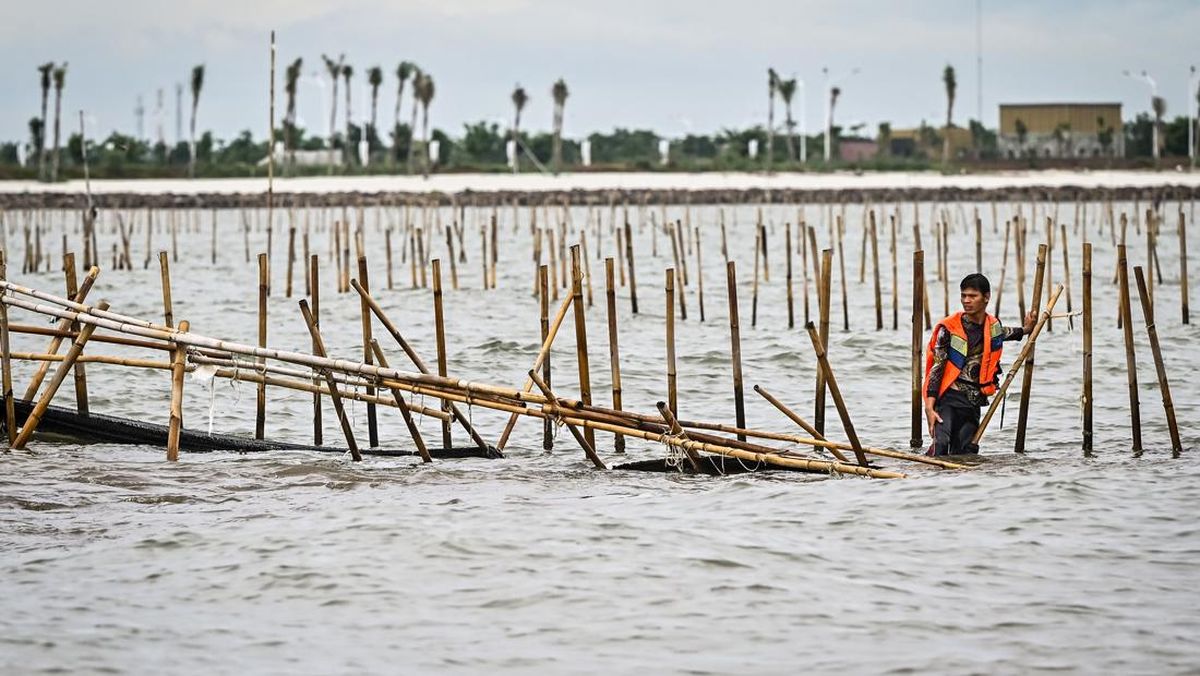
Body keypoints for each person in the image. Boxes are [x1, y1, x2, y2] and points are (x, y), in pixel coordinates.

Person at [924, 273, 1035, 456]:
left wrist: (1027, 329)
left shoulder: (993, 327)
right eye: (963, 296)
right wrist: (929, 407)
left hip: (972, 402)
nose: (966, 301)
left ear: (986, 297)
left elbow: (1007, 333)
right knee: (940, 447)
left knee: (966, 453)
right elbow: (936, 369)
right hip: (948, 399)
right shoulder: (949, 329)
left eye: (972, 296)